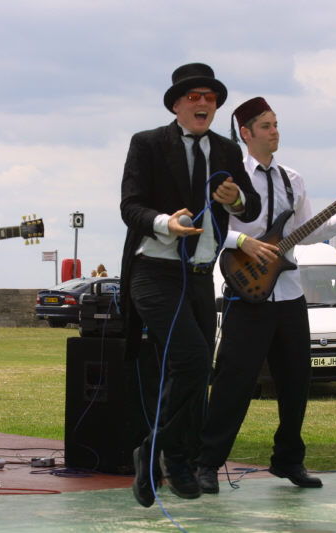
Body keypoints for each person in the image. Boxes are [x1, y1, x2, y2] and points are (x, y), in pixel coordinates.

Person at [195, 97, 336, 494]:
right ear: (246, 133)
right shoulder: (229, 179)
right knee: (234, 382)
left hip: (289, 294)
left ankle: (288, 460)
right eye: (266, 126)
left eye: (276, 124)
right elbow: (209, 227)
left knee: (296, 381)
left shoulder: (293, 179)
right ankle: (207, 463)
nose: (275, 132)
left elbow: (306, 230)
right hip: (246, 291)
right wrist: (244, 242)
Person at [119, 63, 261, 507]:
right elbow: (130, 207)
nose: (203, 103)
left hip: (200, 277)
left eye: (210, 98)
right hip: (155, 272)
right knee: (194, 360)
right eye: (194, 97)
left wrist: (236, 198)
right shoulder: (147, 144)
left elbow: (252, 206)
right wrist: (167, 223)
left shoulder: (226, 149)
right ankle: (162, 452)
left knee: (194, 374)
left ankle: (169, 457)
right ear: (176, 105)